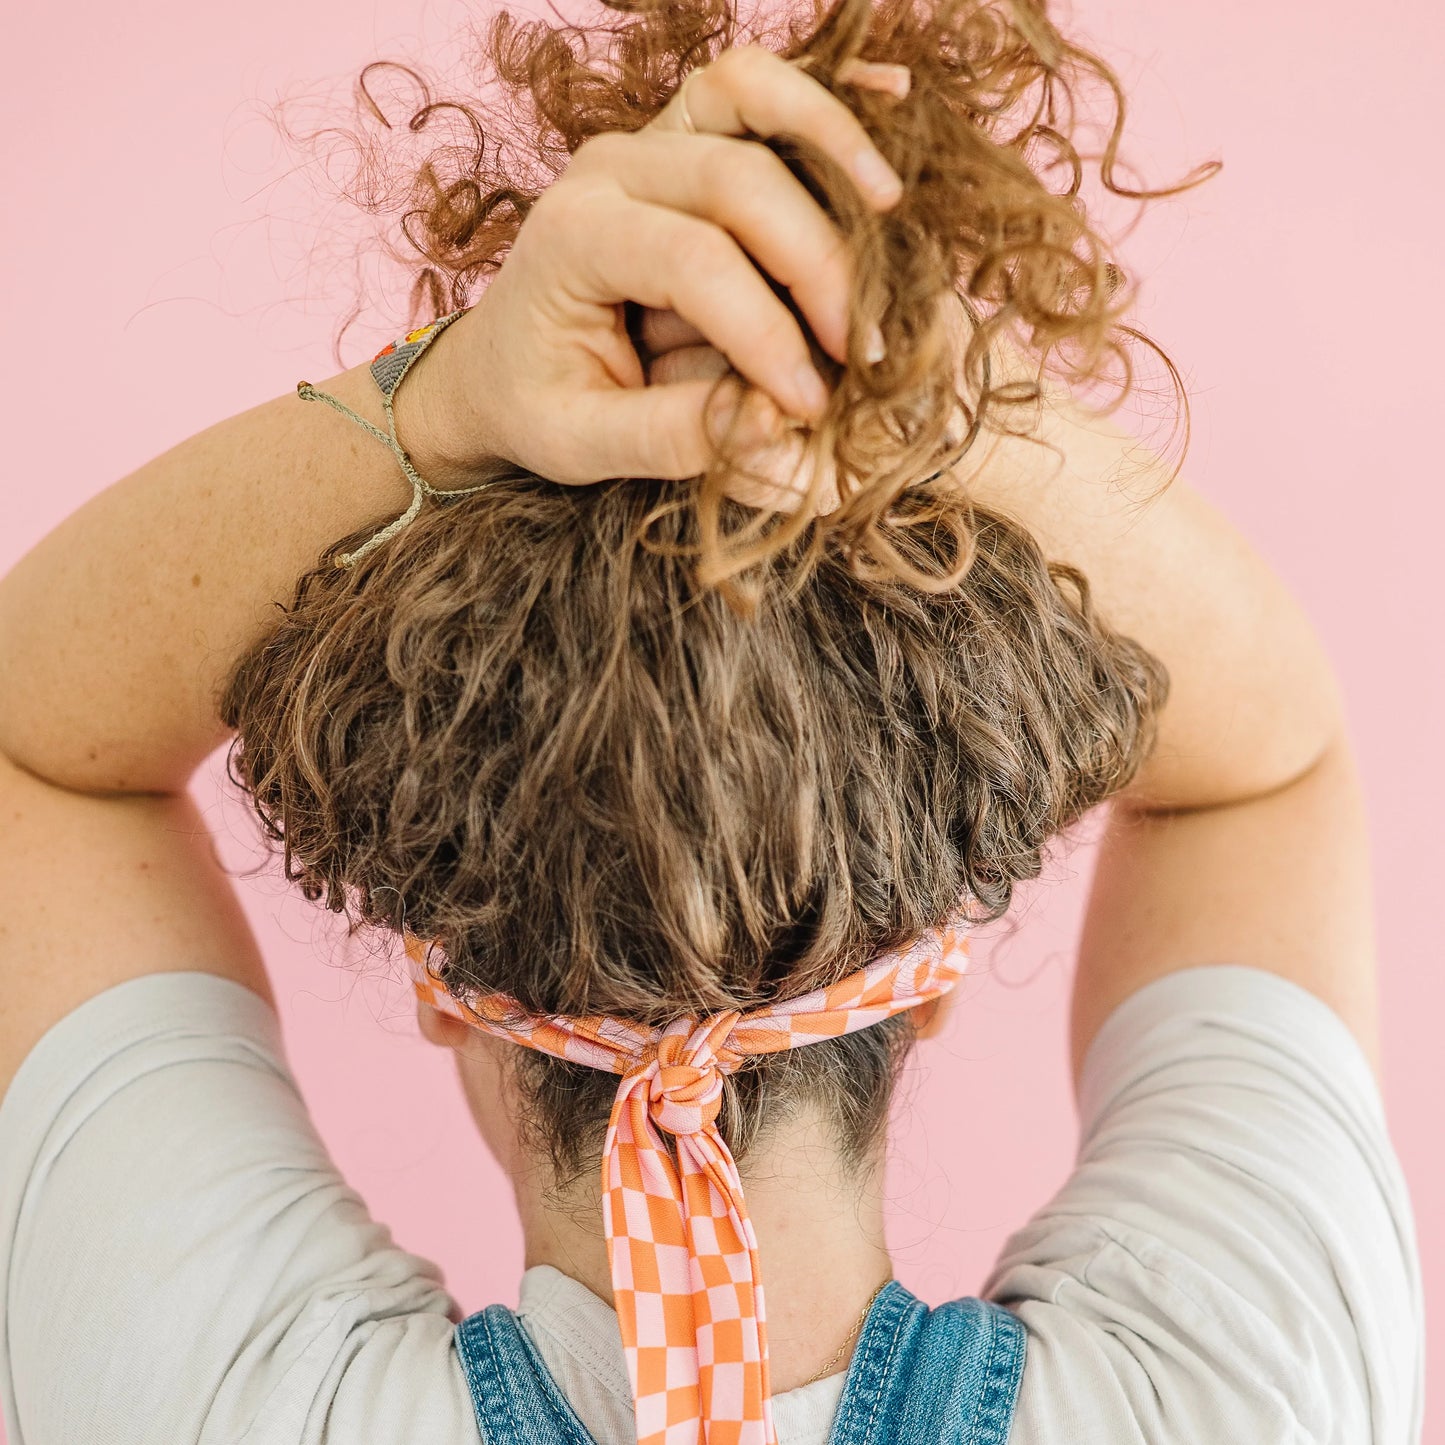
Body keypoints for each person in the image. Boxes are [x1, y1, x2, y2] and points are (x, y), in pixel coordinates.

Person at [0, 2, 1424, 1442]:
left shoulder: (203, 1402)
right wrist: (898, 401)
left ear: (445, 983)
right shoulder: (1249, 1387)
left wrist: (450, 395)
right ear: (930, 967)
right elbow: (1264, 757)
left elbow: (35, 743)